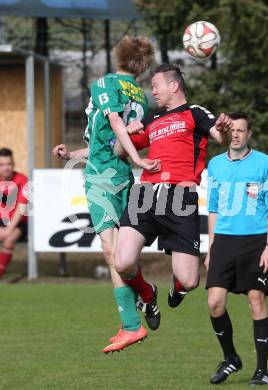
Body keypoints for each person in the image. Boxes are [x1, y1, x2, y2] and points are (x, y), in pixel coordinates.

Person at [53, 36, 160, 354]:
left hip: (103, 177)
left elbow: (115, 123)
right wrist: (73, 152)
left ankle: (131, 324)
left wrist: (139, 159)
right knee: (113, 252)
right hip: (119, 174)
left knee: (111, 251)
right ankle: (145, 297)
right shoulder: (139, 95)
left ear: (119, 57)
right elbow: (111, 141)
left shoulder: (105, 83)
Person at [114, 64, 233, 332]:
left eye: (156, 85)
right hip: (145, 194)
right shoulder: (153, 119)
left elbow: (220, 137)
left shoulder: (195, 113)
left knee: (190, 280)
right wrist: (128, 132)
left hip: (180, 196)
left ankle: (178, 287)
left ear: (174, 85)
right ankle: (147, 295)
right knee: (122, 263)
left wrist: (224, 129)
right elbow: (121, 151)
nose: (152, 91)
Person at [204, 111, 268, 385]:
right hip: (223, 241)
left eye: (240, 130)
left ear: (249, 134)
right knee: (214, 303)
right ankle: (231, 358)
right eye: (232, 130)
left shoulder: (264, 163)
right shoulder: (215, 165)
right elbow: (212, 207)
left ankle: (262, 370)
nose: (235, 134)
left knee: (256, 301)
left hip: (255, 242)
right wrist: (211, 247)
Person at [0, 148, 28, 278]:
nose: (6, 168)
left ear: (13, 164)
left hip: (19, 223)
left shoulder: (23, 180)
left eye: (9, 164)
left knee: (9, 239)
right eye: (2, 165)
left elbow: (21, 209)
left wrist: (8, 230)